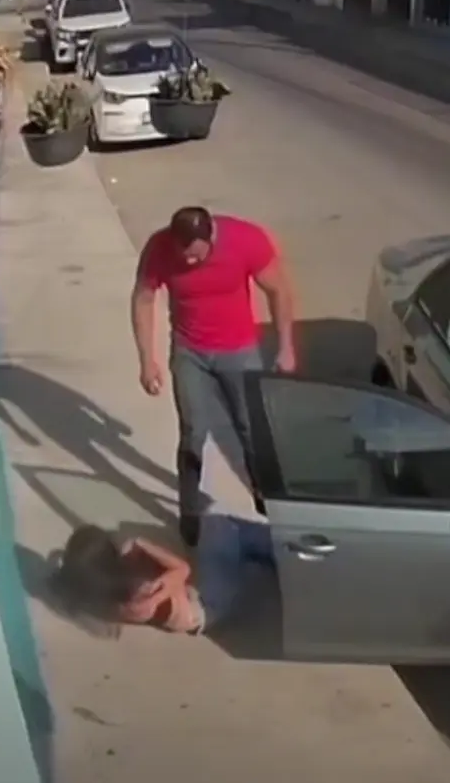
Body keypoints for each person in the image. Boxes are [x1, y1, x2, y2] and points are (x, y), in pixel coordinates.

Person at [131, 206, 297, 548]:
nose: (189, 262)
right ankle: (190, 513)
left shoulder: (245, 240)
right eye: (183, 255)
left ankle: (267, 502)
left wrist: (286, 346)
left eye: (195, 255)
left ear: (211, 238)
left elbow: (278, 289)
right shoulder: (160, 248)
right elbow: (143, 299)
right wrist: (147, 360)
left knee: (251, 429)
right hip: (190, 351)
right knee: (193, 430)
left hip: (239, 351)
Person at [50, 525, 200, 637]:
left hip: (177, 604)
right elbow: (183, 569)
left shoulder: (101, 596)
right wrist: (143, 544)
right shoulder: (142, 590)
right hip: (195, 609)